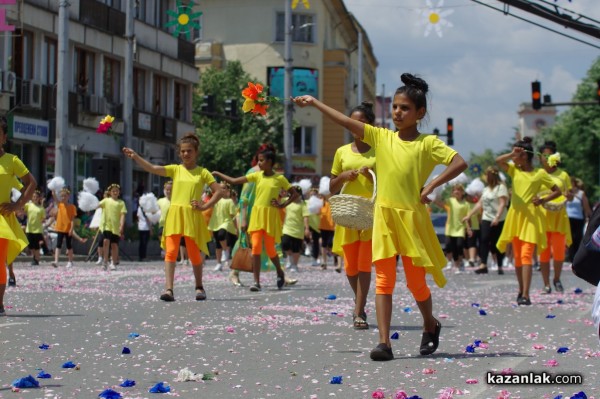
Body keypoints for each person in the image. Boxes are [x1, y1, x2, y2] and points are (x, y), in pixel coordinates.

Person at [292, 73, 468, 361]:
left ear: (420, 113)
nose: (398, 112)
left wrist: (433, 185)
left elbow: (460, 162)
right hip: (383, 218)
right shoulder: (381, 137)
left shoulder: (428, 144)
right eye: (395, 107)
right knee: (384, 280)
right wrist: (315, 102)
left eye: (405, 108)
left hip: (412, 219)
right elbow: (346, 122)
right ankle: (384, 343)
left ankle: (430, 323)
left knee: (416, 283)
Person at [123, 133, 223, 301]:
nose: (186, 154)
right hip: (175, 215)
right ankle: (169, 289)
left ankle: (199, 287)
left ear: (196, 152)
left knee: (194, 254)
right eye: (183, 151)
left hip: (192, 215)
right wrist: (136, 157)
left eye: (189, 151)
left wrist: (204, 206)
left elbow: (219, 191)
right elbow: (153, 169)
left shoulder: (203, 172)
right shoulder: (175, 170)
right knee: (170, 252)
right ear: (179, 153)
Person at [213, 148, 299, 292]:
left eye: (261, 160)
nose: (259, 163)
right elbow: (235, 180)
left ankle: (280, 272)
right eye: (258, 160)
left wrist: (282, 204)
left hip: (270, 217)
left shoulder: (279, 178)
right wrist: (217, 173)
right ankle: (256, 282)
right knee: (256, 248)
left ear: (270, 162)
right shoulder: (257, 176)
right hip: (257, 216)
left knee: (271, 250)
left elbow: (294, 194)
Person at [496, 137, 561, 306]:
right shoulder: (513, 170)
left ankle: (526, 294)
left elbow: (557, 190)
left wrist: (543, 200)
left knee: (526, 255)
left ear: (524, 156)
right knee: (517, 257)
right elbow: (498, 161)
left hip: (531, 217)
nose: (513, 158)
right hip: (515, 217)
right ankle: (520, 289)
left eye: (516, 154)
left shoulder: (539, 174)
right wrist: (512, 153)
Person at [329, 101, 376, 330]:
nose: (357, 126)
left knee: (364, 265)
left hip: (368, 214)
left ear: (370, 125)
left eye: (363, 122)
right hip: (347, 214)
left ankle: (359, 309)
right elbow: (331, 187)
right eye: (354, 122)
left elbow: (385, 183)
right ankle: (360, 303)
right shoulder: (342, 152)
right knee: (350, 267)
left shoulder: (379, 151)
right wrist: (344, 176)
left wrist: (369, 177)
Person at [0, 115, 37, 316]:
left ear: (4, 138)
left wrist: (17, 205)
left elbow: (31, 183)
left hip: (1, 219)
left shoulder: (11, 161)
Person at [536, 141, 572, 293]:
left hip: (559, 216)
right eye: (544, 155)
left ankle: (556, 279)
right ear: (540, 158)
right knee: (543, 252)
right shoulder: (538, 174)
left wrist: (569, 196)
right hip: (542, 216)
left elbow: (568, 194)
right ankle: (546, 284)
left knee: (558, 252)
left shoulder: (563, 175)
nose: (547, 158)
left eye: (550, 154)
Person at [463, 166, 508, 275]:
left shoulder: (501, 188)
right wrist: (469, 215)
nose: (486, 177)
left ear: (492, 176)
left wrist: (497, 217)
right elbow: (480, 203)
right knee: (483, 239)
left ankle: (500, 265)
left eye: (487, 175)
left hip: (499, 219)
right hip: (486, 218)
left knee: (496, 243)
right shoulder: (486, 189)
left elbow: (502, 203)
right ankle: (483, 264)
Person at [433, 184, 470, 274]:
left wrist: (468, 229)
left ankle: (460, 263)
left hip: (460, 228)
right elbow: (439, 203)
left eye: (458, 190)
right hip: (450, 228)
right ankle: (456, 265)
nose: (456, 192)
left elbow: (467, 218)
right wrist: (437, 193)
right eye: (454, 190)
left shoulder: (466, 204)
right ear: (452, 192)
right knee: (450, 246)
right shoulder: (450, 201)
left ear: (462, 192)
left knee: (459, 246)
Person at [208, 183, 238, 271]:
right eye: (220, 188)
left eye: (224, 188)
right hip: (216, 223)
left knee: (221, 235)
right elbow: (208, 204)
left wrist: (236, 228)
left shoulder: (229, 201)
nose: (222, 190)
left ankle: (225, 251)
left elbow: (233, 216)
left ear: (228, 190)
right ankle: (218, 263)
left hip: (226, 223)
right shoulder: (215, 200)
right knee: (217, 244)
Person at [281, 186, 310, 273]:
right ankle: (290, 259)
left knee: (296, 249)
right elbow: (278, 199)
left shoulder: (303, 204)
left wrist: (307, 229)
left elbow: (305, 217)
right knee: (285, 244)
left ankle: (295, 265)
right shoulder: (286, 201)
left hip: (298, 230)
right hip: (287, 228)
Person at [98, 184, 127, 271]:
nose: (115, 192)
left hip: (116, 227)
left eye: (117, 191)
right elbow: (97, 205)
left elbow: (122, 215)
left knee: (114, 245)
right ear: (110, 192)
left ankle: (113, 262)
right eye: (113, 191)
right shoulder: (106, 200)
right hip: (107, 225)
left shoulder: (121, 203)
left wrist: (121, 225)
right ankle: (105, 261)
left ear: (119, 193)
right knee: (106, 241)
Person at [566, 177, 592, 263]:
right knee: (569, 238)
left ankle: (577, 256)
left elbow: (586, 206)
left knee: (577, 237)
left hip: (578, 218)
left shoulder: (581, 193)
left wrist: (589, 216)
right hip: (567, 218)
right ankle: (570, 257)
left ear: (574, 183)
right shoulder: (566, 193)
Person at [51, 187, 77, 268]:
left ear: (68, 196)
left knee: (69, 245)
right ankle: (56, 261)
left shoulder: (72, 207)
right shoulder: (60, 205)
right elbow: (55, 199)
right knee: (58, 245)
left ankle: (70, 261)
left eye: (65, 196)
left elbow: (72, 219)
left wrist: (71, 229)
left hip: (68, 228)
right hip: (60, 228)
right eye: (62, 196)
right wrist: (54, 193)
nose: (63, 198)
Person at [24, 190, 46, 266]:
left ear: (39, 198)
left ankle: (36, 259)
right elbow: (23, 210)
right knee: (30, 245)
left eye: (36, 197)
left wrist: (42, 220)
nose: (35, 198)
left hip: (37, 229)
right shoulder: (28, 205)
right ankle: (35, 257)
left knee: (36, 245)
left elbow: (43, 218)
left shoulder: (41, 208)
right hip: (29, 228)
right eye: (33, 197)